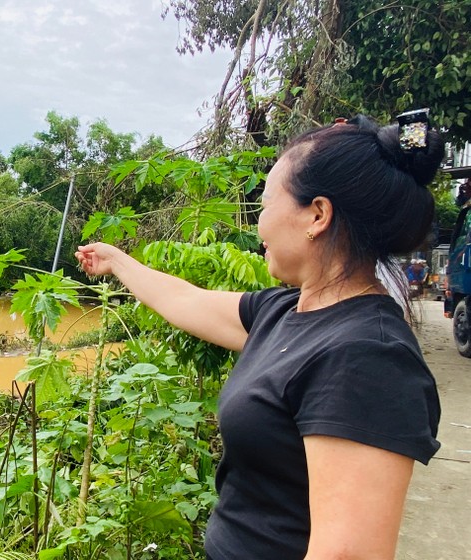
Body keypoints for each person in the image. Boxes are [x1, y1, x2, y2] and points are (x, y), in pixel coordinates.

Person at [75, 114, 442, 560]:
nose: (258, 224)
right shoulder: (284, 311)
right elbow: (187, 301)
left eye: (266, 204)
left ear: (317, 215)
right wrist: (117, 262)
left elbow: (348, 553)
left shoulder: (368, 356)